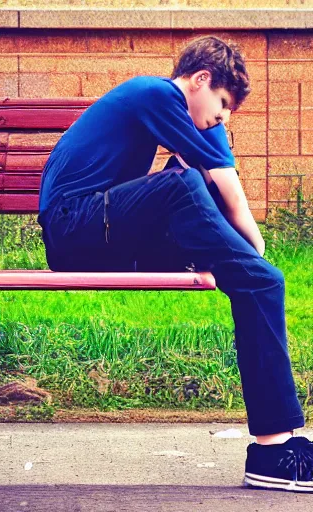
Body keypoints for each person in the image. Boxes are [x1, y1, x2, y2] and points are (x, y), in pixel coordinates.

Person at [37, 35, 313, 492]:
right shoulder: (157, 93)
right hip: (75, 227)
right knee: (185, 184)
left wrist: (253, 265)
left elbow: (216, 170)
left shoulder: (176, 113)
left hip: (104, 232)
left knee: (255, 279)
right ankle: (275, 448)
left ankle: (275, 446)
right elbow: (226, 182)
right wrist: (256, 250)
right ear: (201, 79)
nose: (222, 117)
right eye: (222, 103)